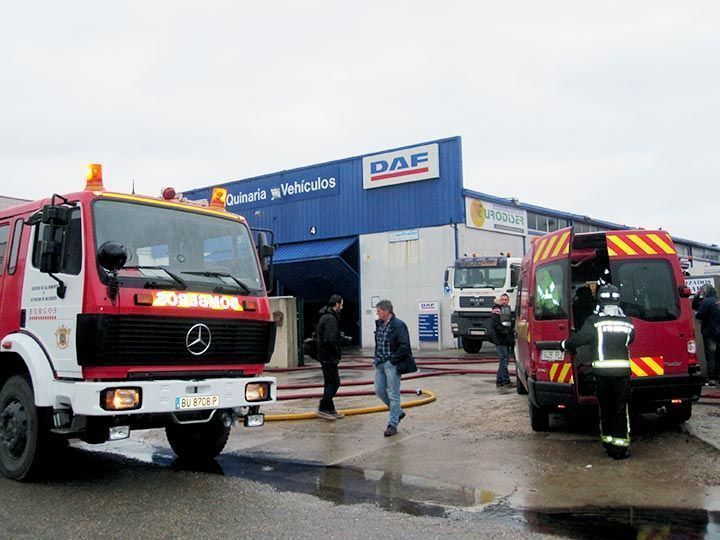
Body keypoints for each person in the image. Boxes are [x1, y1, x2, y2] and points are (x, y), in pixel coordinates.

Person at [561, 284, 635, 460]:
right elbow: (631, 340)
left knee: (605, 408)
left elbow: (581, 338)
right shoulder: (627, 322)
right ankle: (621, 448)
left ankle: (609, 444)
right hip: (622, 374)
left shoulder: (594, 321)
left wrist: (565, 344)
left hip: (602, 373)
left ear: (600, 301)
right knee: (620, 410)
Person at [373, 299, 412, 437]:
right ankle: (398, 412)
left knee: (394, 394)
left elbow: (404, 346)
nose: (377, 314)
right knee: (379, 390)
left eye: (378, 311)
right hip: (379, 363)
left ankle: (392, 424)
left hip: (391, 364)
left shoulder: (398, 325)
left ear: (386, 311)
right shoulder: (379, 324)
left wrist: (393, 360)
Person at [316, 295, 345, 420]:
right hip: (328, 357)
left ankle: (329, 408)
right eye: (341, 305)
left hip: (324, 356)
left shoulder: (325, 317)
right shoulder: (330, 319)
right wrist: (336, 352)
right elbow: (329, 339)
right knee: (335, 382)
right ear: (337, 304)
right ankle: (324, 406)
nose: (342, 307)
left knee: (329, 383)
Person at [694, 284, 720, 385]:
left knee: (711, 356)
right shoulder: (717, 301)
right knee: (718, 355)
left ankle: (712, 378)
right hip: (718, 331)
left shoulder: (706, 302)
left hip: (710, 332)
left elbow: (699, 315)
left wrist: (697, 295)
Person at [491, 293, 515, 388]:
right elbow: (495, 324)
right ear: (500, 300)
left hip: (505, 339)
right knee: (504, 360)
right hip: (500, 339)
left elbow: (510, 322)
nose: (504, 301)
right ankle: (504, 380)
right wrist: (505, 332)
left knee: (504, 360)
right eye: (503, 299)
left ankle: (500, 380)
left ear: (508, 300)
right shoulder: (496, 310)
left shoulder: (507, 310)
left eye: (506, 299)